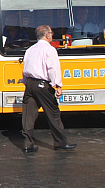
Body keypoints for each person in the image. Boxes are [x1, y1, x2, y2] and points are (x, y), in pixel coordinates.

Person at [21, 25, 76, 153]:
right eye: (51, 33)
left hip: (30, 84)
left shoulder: (30, 49)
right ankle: (60, 142)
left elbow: (25, 68)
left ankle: (27, 144)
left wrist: (26, 83)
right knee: (53, 113)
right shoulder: (50, 50)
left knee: (28, 115)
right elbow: (53, 69)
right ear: (47, 35)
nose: (52, 35)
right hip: (42, 84)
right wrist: (58, 86)